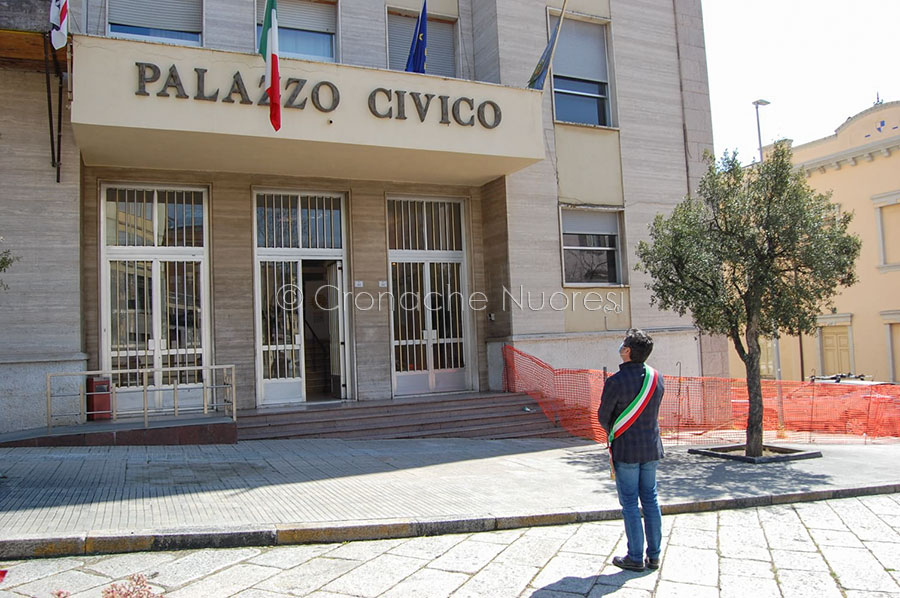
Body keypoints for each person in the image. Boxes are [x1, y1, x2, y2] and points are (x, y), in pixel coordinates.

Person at [597, 328, 665, 572]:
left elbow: (603, 417)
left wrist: (613, 432)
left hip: (626, 449)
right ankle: (654, 555)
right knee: (650, 499)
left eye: (623, 344)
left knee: (629, 503)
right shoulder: (657, 378)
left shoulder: (615, 382)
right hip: (651, 447)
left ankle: (635, 556)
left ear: (627, 350)